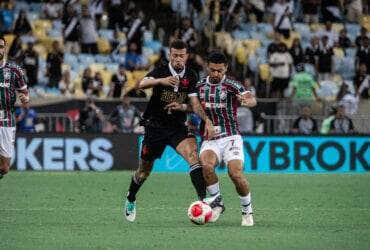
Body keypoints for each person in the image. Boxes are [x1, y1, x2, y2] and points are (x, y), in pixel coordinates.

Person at [123, 40, 215, 222]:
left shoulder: (191, 75)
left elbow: (194, 104)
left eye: (181, 55)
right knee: (144, 171)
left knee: (193, 158)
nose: (178, 59)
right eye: (175, 55)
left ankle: (203, 201)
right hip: (155, 127)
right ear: (170, 55)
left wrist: (206, 120)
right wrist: (161, 81)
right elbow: (141, 84)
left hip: (177, 127)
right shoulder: (161, 71)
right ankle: (131, 198)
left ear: (186, 56)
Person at [167, 51, 257, 226]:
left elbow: (251, 99)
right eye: (213, 70)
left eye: (220, 71)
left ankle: (247, 211)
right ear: (208, 67)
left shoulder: (232, 85)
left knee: (235, 174)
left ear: (226, 69)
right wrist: (181, 106)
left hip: (231, 137)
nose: (216, 74)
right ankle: (217, 203)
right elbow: (194, 106)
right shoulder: (199, 86)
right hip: (210, 138)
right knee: (206, 166)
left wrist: (245, 101)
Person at [0, 35, 30, 179]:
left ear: (5, 47)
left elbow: (25, 94)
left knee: (5, 168)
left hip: (7, 120)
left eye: (0, 47)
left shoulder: (14, 70)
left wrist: (25, 98)